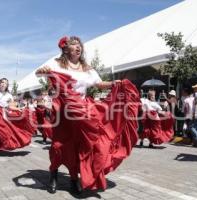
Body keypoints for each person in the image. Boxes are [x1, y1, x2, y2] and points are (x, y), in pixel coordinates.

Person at [36, 36, 140, 195]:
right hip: (63, 110)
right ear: (65, 49)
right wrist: (43, 71)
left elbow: (98, 83)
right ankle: (53, 174)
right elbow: (40, 73)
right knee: (59, 145)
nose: (78, 47)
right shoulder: (56, 63)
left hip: (82, 109)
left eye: (79, 45)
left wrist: (114, 83)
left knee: (81, 144)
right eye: (73, 45)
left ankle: (73, 179)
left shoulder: (87, 67)